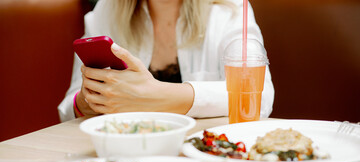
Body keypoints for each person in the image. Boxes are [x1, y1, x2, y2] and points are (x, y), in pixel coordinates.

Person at [58, 0, 274, 121]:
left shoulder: (229, 9)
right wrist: (88, 101)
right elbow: (68, 110)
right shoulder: (107, 10)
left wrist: (156, 95)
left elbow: (260, 95)